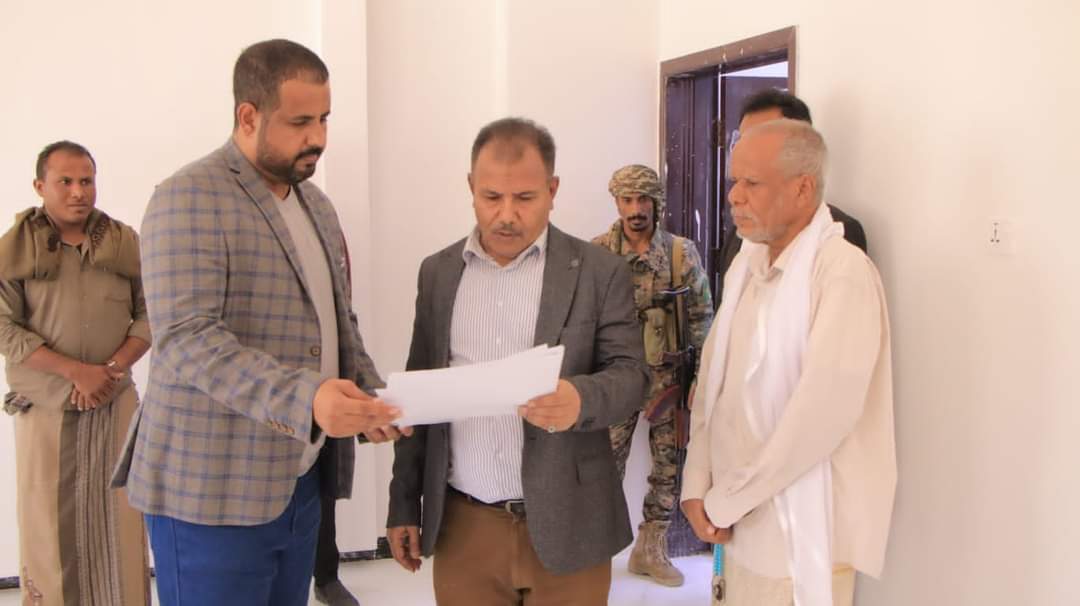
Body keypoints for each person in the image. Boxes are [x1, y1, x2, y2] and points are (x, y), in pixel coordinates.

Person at [111, 39, 404, 606]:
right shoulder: (187, 197)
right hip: (210, 495)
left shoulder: (317, 206)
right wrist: (309, 399)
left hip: (298, 485)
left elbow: (337, 321)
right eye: (300, 122)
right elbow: (187, 339)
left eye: (324, 118)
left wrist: (368, 392)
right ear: (248, 116)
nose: (318, 137)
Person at [386, 117, 648, 605]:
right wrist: (403, 502)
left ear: (553, 190)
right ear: (471, 188)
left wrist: (580, 398)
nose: (506, 215)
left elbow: (633, 377)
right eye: (491, 197)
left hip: (573, 522)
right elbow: (418, 398)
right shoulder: (438, 274)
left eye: (525, 198)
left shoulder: (599, 272)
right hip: (466, 526)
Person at [681, 119, 896, 606]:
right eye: (734, 181)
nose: (734, 196)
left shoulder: (842, 273)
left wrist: (727, 500)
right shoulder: (746, 265)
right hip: (737, 529)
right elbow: (713, 388)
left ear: (803, 189)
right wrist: (696, 484)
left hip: (799, 540)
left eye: (752, 183)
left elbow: (819, 420)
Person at [0, 140, 152, 605]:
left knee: (121, 521)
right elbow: (3, 327)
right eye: (64, 181)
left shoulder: (125, 243)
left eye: (86, 180)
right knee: (50, 523)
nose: (78, 192)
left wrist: (110, 370)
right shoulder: (14, 250)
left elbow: (153, 313)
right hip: (46, 407)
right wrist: (74, 372)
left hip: (113, 401)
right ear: (39, 185)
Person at [591, 164, 714, 586]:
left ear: (656, 203)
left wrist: (700, 379)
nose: (636, 209)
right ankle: (595, 554)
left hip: (668, 382)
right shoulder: (597, 255)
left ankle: (650, 549)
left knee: (668, 467)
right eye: (627, 200)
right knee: (603, 468)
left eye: (643, 199)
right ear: (616, 203)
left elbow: (702, 317)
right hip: (615, 381)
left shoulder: (680, 253)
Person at [716, 89, 867, 301]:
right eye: (744, 138)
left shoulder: (839, 242)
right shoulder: (739, 236)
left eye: (763, 137)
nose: (735, 196)